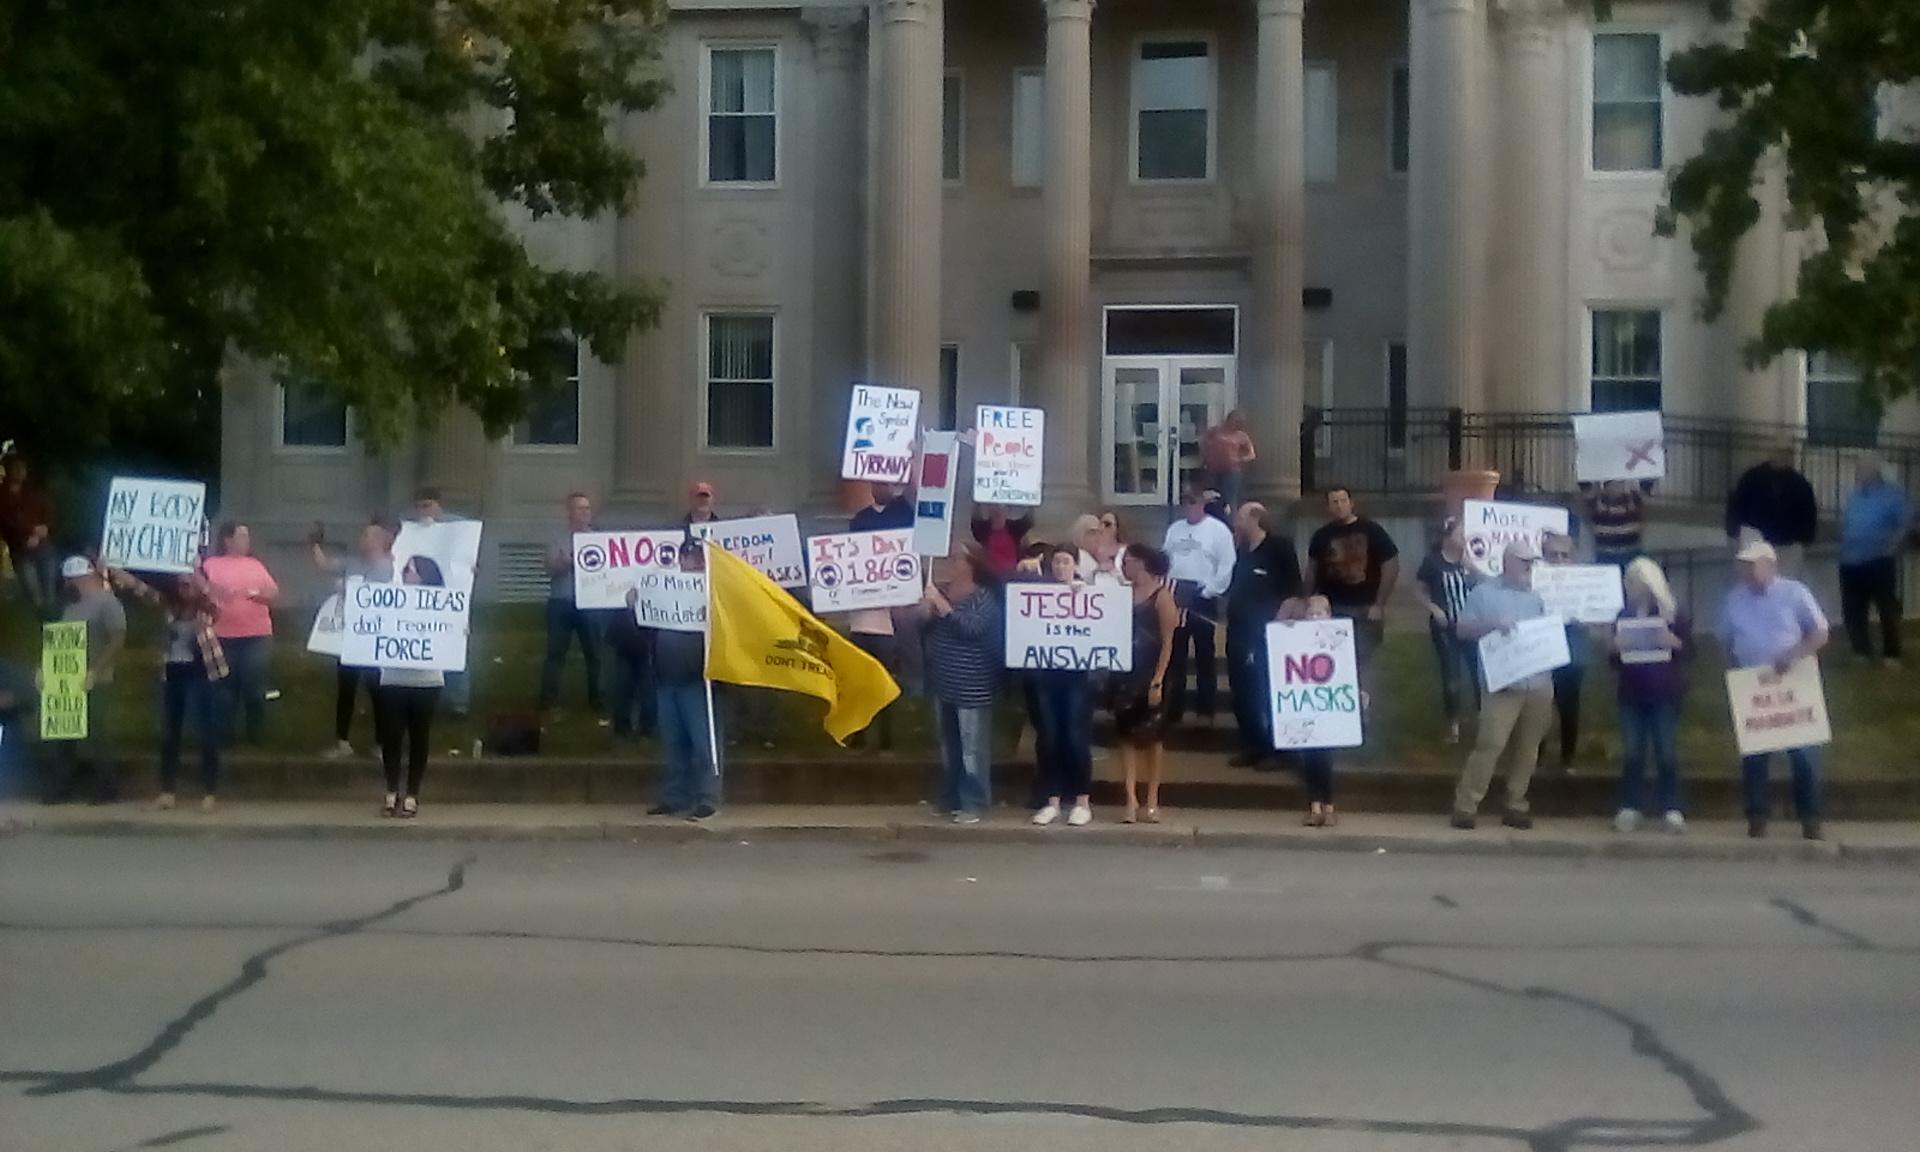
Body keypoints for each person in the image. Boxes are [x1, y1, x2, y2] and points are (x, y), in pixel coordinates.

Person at [1717, 539, 1830, 840]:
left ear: (1771, 564)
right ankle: (1757, 817)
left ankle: (1811, 818)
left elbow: (1820, 632)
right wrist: (1734, 673)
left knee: (1804, 754)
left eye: (1753, 565)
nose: (1747, 571)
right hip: (1753, 684)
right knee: (1754, 755)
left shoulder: (1794, 593)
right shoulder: (1734, 599)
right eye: (1744, 565)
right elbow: (1725, 640)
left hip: (1792, 682)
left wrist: (1794, 654)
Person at [1449, 540, 1556, 831]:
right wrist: (1493, 624)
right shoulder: (1484, 593)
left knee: (1528, 747)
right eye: (1523, 561)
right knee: (1490, 744)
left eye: (1530, 562)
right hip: (1502, 684)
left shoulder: (1538, 597)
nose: (1528, 567)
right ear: (1507, 562)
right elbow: (1462, 628)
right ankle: (1466, 804)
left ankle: (1515, 803)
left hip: (1538, 682)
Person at [108, 568, 227, 813]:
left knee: (206, 734)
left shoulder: (206, 608)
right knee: (169, 734)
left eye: (189, 583)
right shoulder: (169, 607)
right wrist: (119, 572)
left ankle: (209, 793)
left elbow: (217, 604)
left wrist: (198, 577)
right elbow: (144, 591)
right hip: (174, 673)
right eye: (181, 583)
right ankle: (167, 792)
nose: (184, 587)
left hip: (202, 673)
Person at [920, 545, 1003, 824]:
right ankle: (950, 797)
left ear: (970, 564)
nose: (950, 562)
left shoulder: (984, 598)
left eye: (957, 558)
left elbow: (972, 628)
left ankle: (974, 802)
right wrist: (925, 610)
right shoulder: (942, 592)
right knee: (950, 747)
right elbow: (923, 628)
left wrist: (943, 608)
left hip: (973, 685)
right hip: (944, 682)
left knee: (972, 749)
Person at [1609, 557, 1692, 835]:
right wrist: (1614, 649)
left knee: (1665, 752)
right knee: (1633, 753)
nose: (1632, 588)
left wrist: (1675, 643)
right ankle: (1631, 806)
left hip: (1664, 693)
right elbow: (1615, 661)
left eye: (1637, 582)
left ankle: (1672, 808)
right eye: (1629, 582)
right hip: (1631, 693)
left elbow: (1691, 652)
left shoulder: (1672, 614)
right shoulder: (1622, 616)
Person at [1226, 502, 1302, 767]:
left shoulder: (1280, 547)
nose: (1236, 523)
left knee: (1266, 690)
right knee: (1242, 689)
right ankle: (1253, 744)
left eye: (1240, 518)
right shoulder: (1242, 550)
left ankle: (1279, 750)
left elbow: (1293, 589)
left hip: (1268, 630)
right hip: (1239, 630)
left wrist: (1279, 622)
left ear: (1256, 518)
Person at [311, 518, 395, 757]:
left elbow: (376, 594)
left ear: (381, 541)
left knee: (377, 690)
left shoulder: (388, 567)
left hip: (372, 636)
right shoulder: (354, 563)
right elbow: (325, 564)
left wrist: (346, 587)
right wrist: (315, 543)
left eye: (368, 536)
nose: (362, 539)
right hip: (348, 636)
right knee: (346, 689)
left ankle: (382, 743)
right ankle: (342, 741)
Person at [46, 557, 127, 805]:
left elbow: (117, 639)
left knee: (97, 733)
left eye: (70, 580)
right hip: (67, 679)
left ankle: (107, 788)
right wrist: (47, 671)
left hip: (96, 678)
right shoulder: (71, 606)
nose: (68, 585)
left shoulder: (107, 603)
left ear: (79, 578)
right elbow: (60, 644)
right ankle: (61, 787)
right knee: (63, 733)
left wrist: (96, 670)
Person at [649, 541, 721, 819]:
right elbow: (642, 632)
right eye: (685, 557)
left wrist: (712, 616)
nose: (689, 563)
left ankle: (708, 796)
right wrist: (635, 607)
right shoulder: (662, 590)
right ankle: (675, 796)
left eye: (695, 558)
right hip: (666, 677)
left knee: (704, 742)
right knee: (673, 742)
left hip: (697, 679)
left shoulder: (713, 594)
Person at [375, 555, 448, 819]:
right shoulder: (391, 600)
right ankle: (392, 790)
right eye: (405, 569)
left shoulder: (442, 606)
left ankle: (412, 794)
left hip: (426, 681)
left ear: (425, 576)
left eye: (411, 570)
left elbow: (450, 632)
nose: (405, 573)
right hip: (393, 678)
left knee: (419, 737)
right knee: (391, 736)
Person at [1030, 546, 1096, 827]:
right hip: (1046, 675)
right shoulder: (1037, 593)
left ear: (1075, 565)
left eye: (1065, 562)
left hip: (1076, 677)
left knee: (1074, 735)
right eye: (1055, 561)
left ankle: (1082, 800)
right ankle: (1052, 800)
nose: (1060, 567)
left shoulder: (1086, 594)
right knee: (1050, 736)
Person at [1305, 487, 1400, 679]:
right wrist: (1306, 600)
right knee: (1333, 662)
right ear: (1327, 507)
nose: (1339, 506)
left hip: (1364, 607)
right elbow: (1312, 570)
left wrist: (1379, 604)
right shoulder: (1321, 536)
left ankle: (1364, 701)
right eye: (1334, 502)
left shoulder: (1372, 530)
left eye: (1343, 500)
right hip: (1330, 609)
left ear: (1351, 503)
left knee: (1362, 662)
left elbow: (1391, 565)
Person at [1112, 544, 1177, 823]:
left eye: (1127, 562)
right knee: (1125, 738)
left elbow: (1168, 642)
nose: (1123, 566)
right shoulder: (1121, 595)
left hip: (1152, 672)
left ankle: (1152, 799)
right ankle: (1130, 798)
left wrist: (1158, 679)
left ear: (1141, 563)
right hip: (1125, 672)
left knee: (1153, 739)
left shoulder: (1162, 597)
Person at [1161, 487, 1235, 728]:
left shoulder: (1218, 530)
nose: (1188, 506)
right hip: (1176, 594)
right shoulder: (1175, 529)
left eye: (1193, 501)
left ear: (1202, 503)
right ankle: (1174, 709)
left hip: (1203, 595)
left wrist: (1210, 591)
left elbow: (1227, 563)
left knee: (1204, 654)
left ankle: (1205, 709)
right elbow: (1165, 559)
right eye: (1185, 502)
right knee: (1176, 654)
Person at [846, 485, 911, 751]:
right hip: (860, 614)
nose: (880, 488)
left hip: (887, 617)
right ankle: (860, 733)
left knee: (884, 680)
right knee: (860, 680)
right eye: (876, 484)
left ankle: (887, 737)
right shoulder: (859, 519)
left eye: (885, 483)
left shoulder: (903, 512)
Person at [201, 522, 278, 746]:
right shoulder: (211, 565)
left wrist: (261, 595)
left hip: (257, 634)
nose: (247, 540)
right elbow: (200, 590)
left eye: (247, 536)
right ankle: (224, 734)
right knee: (225, 687)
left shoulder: (255, 565)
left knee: (254, 683)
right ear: (228, 540)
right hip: (222, 634)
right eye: (242, 536)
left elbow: (273, 592)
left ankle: (255, 733)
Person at [1836, 455, 1910, 668]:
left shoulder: (1892, 495)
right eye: (1857, 470)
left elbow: (1904, 524)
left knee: (1886, 607)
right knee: (1853, 609)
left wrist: (1893, 546)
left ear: (1874, 472)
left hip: (1879, 560)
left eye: (1861, 470)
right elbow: (1845, 522)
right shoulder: (1854, 496)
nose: (1857, 474)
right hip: (1850, 561)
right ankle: (1861, 650)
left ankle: (1891, 653)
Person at [1411, 516, 1479, 744]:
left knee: (1479, 672)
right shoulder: (1432, 562)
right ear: (1447, 538)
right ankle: (1454, 725)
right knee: (1451, 675)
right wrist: (1434, 609)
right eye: (1460, 534)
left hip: (1472, 626)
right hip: (1445, 626)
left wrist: (1473, 568)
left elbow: (1486, 585)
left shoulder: (1470, 561)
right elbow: (1419, 590)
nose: (1464, 538)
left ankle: (1483, 719)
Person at [1276, 594, 1341, 825]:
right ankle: (1314, 806)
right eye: (1310, 614)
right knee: (1310, 761)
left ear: (1329, 614)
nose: (1314, 617)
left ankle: (1330, 807)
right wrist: (1286, 630)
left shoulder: (1339, 638)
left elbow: (1346, 670)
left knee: (1325, 761)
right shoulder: (1298, 640)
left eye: (1319, 613)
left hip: (1328, 710)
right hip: (1306, 710)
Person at [408, 487, 473, 718]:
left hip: (451, 598)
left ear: (439, 505)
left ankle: (458, 701)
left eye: (428, 505)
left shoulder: (458, 527)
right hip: (421, 599)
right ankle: (426, 697)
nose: (424, 511)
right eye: (420, 506)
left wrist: (471, 568)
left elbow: (471, 560)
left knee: (454, 646)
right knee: (426, 648)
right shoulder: (412, 531)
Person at [539, 493, 605, 715]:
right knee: (555, 653)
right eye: (579, 508)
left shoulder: (598, 539)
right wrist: (564, 563)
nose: (585, 512)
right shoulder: (557, 537)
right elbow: (548, 568)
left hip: (590, 603)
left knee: (594, 653)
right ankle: (548, 699)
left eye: (587, 508)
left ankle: (597, 699)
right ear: (569, 512)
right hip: (561, 601)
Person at [1725, 443, 1817, 572]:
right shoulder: (1752, 478)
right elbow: (1736, 505)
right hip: (1756, 543)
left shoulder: (1800, 484)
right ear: (1771, 453)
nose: (1782, 455)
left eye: (1786, 452)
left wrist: (1806, 539)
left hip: (1787, 547)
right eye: (1778, 451)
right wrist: (1733, 531)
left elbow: (1808, 515)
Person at [1539, 531, 1589, 769]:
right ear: (1543, 557)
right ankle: (1535, 757)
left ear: (1573, 557)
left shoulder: (1585, 583)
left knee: (1569, 708)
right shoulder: (1534, 583)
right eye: (1553, 555)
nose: (1559, 560)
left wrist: (1586, 621)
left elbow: (1602, 623)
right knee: (1537, 708)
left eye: (1565, 555)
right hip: (1539, 654)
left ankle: (1567, 759)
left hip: (1573, 654)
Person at [0, 453, 58, 619]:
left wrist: (44, 528)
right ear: (9, 470)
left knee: (49, 583)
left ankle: (51, 616)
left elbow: (48, 512)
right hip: (20, 549)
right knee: (32, 587)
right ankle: (40, 616)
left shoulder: (34, 491)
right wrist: (30, 531)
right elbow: (6, 522)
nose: (20, 472)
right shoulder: (2, 495)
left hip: (43, 545)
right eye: (16, 468)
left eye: (23, 468)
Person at [1199, 410, 1257, 512]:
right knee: (1213, 498)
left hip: (1232, 471)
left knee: (1230, 500)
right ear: (1228, 419)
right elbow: (1203, 441)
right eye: (1234, 421)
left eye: (1238, 422)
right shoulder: (1216, 431)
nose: (1235, 424)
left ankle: (1231, 523)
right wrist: (1206, 456)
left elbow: (1251, 454)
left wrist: (1239, 459)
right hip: (1214, 469)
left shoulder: (1241, 436)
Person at [1583, 479, 1649, 568]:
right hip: (1604, 556)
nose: (1616, 487)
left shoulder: (1634, 497)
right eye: (1612, 483)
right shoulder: (1596, 499)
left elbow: (1646, 498)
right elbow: (1586, 496)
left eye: (1619, 483)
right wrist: (1596, 486)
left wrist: (1634, 487)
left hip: (1632, 555)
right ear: (1606, 485)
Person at [971, 504, 1033, 577]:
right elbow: (975, 512)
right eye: (994, 508)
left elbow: (1030, 518)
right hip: (991, 576)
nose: (998, 511)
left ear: (1007, 511)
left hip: (1012, 574)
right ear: (989, 511)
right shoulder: (982, 530)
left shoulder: (1015, 528)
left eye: (1002, 508)